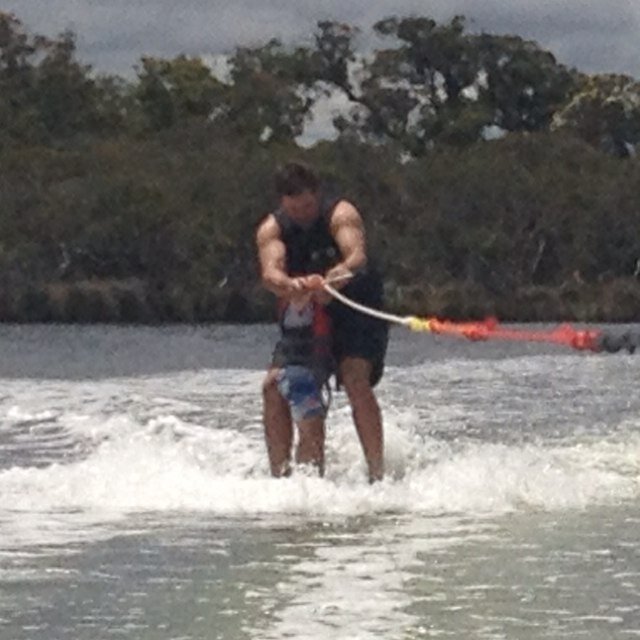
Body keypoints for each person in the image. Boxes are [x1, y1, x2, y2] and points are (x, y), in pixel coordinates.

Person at [255, 161, 388, 482]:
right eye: (295, 208)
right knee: (273, 387)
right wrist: (289, 286)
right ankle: (282, 478)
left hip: (356, 311)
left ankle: (378, 475)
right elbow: (270, 272)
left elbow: (356, 256)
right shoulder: (271, 229)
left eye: (308, 205)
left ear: (317, 194)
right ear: (283, 203)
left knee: (354, 378)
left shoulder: (341, 214)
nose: (303, 212)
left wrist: (334, 279)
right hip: (308, 315)